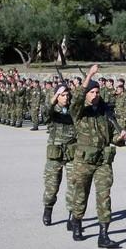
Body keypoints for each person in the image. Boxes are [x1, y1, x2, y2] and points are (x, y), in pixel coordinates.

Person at [69, 64, 126, 249]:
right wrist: (90, 75)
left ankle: (104, 235)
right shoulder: (79, 113)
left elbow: (114, 138)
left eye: (97, 92)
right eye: (91, 91)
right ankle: (77, 222)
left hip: (103, 161)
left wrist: (121, 137)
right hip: (84, 161)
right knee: (81, 195)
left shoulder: (104, 114)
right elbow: (77, 97)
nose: (94, 95)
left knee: (104, 196)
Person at [41, 84, 77, 227]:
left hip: (71, 154)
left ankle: (72, 216)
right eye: (63, 95)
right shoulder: (52, 111)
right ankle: (48, 209)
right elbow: (45, 112)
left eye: (67, 95)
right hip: (55, 154)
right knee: (51, 186)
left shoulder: (73, 111)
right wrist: (55, 96)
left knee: (74, 186)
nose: (66, 97)